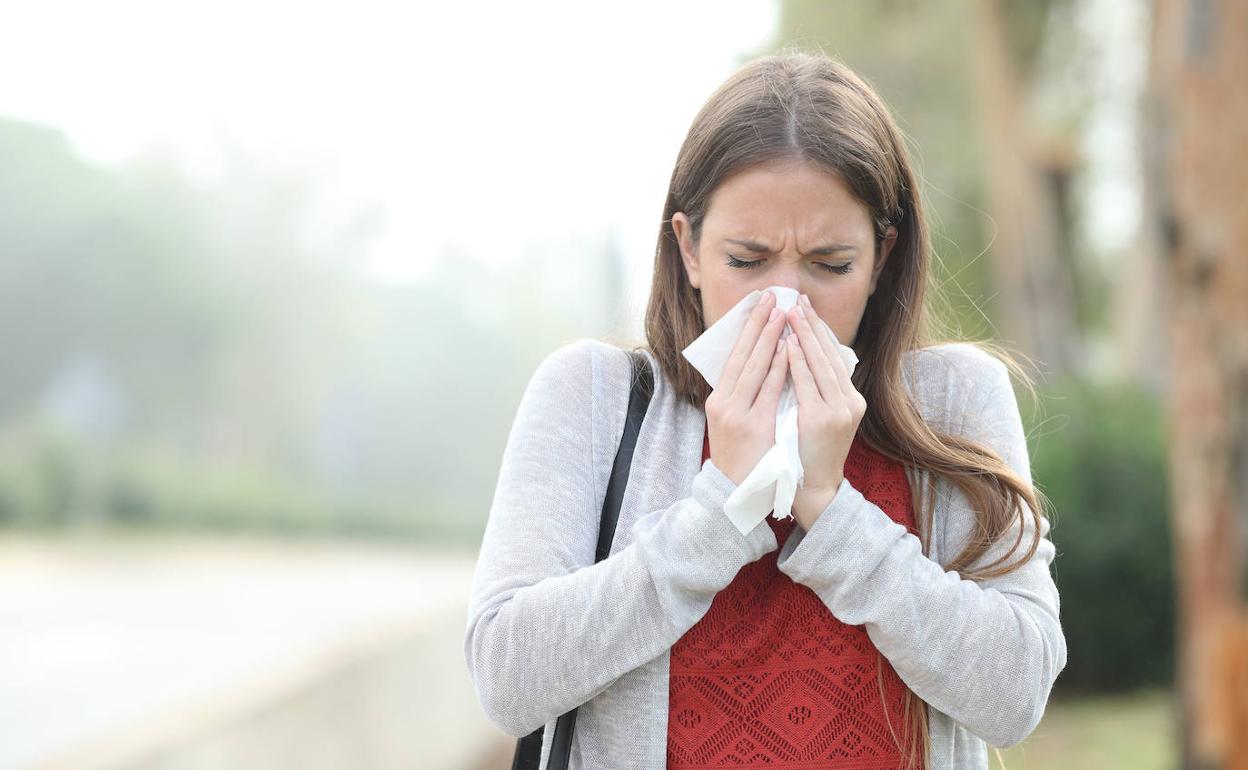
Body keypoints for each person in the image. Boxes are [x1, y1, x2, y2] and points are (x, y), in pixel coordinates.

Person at [464, 49, 1066, 770]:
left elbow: (1016, 696)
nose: (786, 306)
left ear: (882, 255)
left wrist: (832, 508)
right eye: (746, 262)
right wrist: (719, 509)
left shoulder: (956, 397)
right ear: (687, 249)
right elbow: (506, 678)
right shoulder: (592, 396)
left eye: (830, 264)